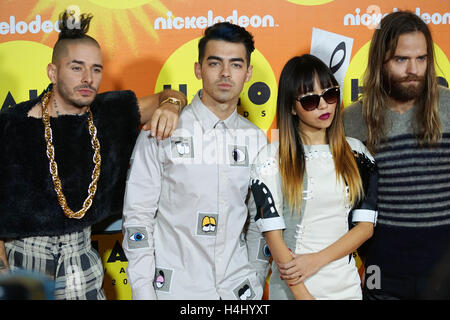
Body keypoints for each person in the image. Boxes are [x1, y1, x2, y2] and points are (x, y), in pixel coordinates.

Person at [0, 11, 186, 300]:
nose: (88, 78)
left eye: (96, 69)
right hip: (25, 266)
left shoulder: (110, 112)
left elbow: (170, 96)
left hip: (84, 266)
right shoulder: (11, 124)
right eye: (76, 68)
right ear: (52, 72)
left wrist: (172, 105)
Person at [122, 22, 270, 300]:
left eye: (236, 65)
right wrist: (143, 292)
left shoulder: (257, 140)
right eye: (215, 63)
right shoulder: (163, 130)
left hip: (238, 292)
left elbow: (261, 220)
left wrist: (255, 279)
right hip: (174, 291)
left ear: (248, 73)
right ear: (198, 69)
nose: (225, 73)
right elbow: (137, 220)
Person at [250, 54, 378, 299]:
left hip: (346, 288)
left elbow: (364, 228)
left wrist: (316, 261)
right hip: (293, 291)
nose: (323, 105)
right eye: (310, 100)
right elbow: (273, 239)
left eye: (330, 94)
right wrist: (303, 295)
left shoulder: (358, 154)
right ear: (291, 107)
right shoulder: (270, 159)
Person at [343, 11, 450, 300]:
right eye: (401, 59)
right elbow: (346, 201)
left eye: (421, 58)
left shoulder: (448, 107)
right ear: (381, 61)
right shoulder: (352, 121)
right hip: (383, 266)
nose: (413, 69)